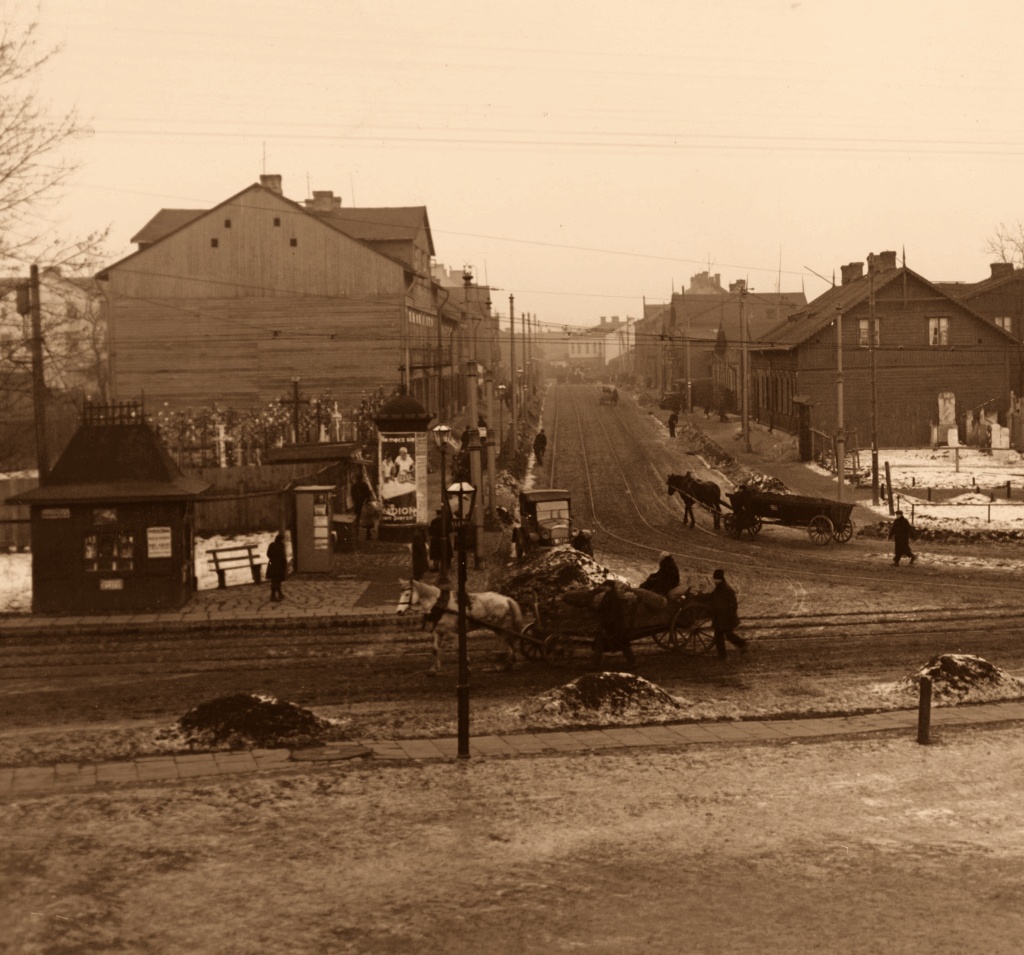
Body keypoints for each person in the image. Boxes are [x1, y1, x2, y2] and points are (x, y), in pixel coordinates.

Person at [592, 579, 635, 670]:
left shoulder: (613, 598)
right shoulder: (609, 595)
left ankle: (595, 665)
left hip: (615, 626)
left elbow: (613, 613)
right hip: (613, 626)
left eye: (606, 586)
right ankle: (595, 665)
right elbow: (603, 608)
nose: (604, 588)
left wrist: (605, 624)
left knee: (622, 644)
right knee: (622, 644)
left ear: (610, 587)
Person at [710, 568, 747, 658]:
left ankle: (742, 644)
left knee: (727, 635)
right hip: (721, 617)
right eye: (714, 579)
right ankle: (723, 655)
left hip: (726, 617)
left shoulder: (726, 589)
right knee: (720, 635)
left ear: (720, 579)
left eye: (716, 579)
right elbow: (711, 596)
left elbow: (733, 604)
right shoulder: (719, 587)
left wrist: (730, 615)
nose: (714, 581)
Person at [428, 507, 452, 572]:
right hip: (441, 539)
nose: (438, 516)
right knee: (443, 553)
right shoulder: (443, 521)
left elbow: (431, 531)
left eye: (439, 514)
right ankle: (444, 566)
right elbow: (450, 530)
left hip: (437, 540)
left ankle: (440, 566)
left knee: (437, 554)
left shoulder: (435, 521)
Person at [266, 532, 287, 602]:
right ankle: (273, 596)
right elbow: (283, 556)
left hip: (272, 564)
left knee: (274, 580)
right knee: (277, 581)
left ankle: (279, 594)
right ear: (281, 539)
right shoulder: (281, 545)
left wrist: (272, 559)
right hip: (279, 565)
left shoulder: (272, 545)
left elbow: (268, 554)